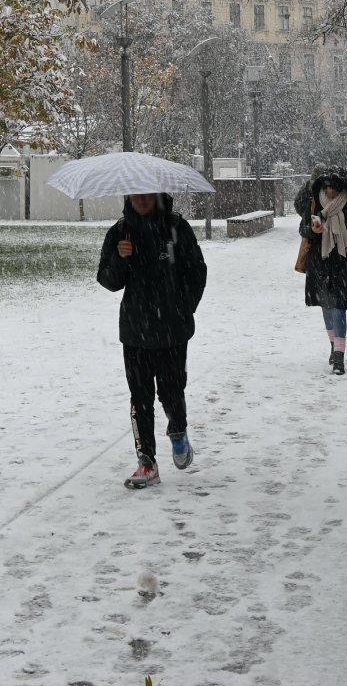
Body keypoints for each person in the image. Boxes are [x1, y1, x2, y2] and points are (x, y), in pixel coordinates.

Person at [97, 192, 207, 489]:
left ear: (158, 195)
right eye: (136, 194)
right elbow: (108, 281)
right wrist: (121, 259)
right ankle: (147, 463)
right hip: (135, 331)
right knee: (140, 398)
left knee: (171, 392)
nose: (141, 199)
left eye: (147, 194)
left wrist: (184, 307)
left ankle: (178, 431)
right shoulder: (120, 232)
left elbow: (197, 271)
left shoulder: (176, 228)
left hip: (172, 330)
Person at [299, 167, 347, 375]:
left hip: (342, 262)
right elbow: (303, 229)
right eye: (327, 187)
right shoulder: (315, 203)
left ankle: (339, 359)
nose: (330, 191)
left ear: (341, 188)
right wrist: (312, 231)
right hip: (319, 263)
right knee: (326, 308)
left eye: (334, 187)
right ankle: (334, 347)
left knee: (338, 308)